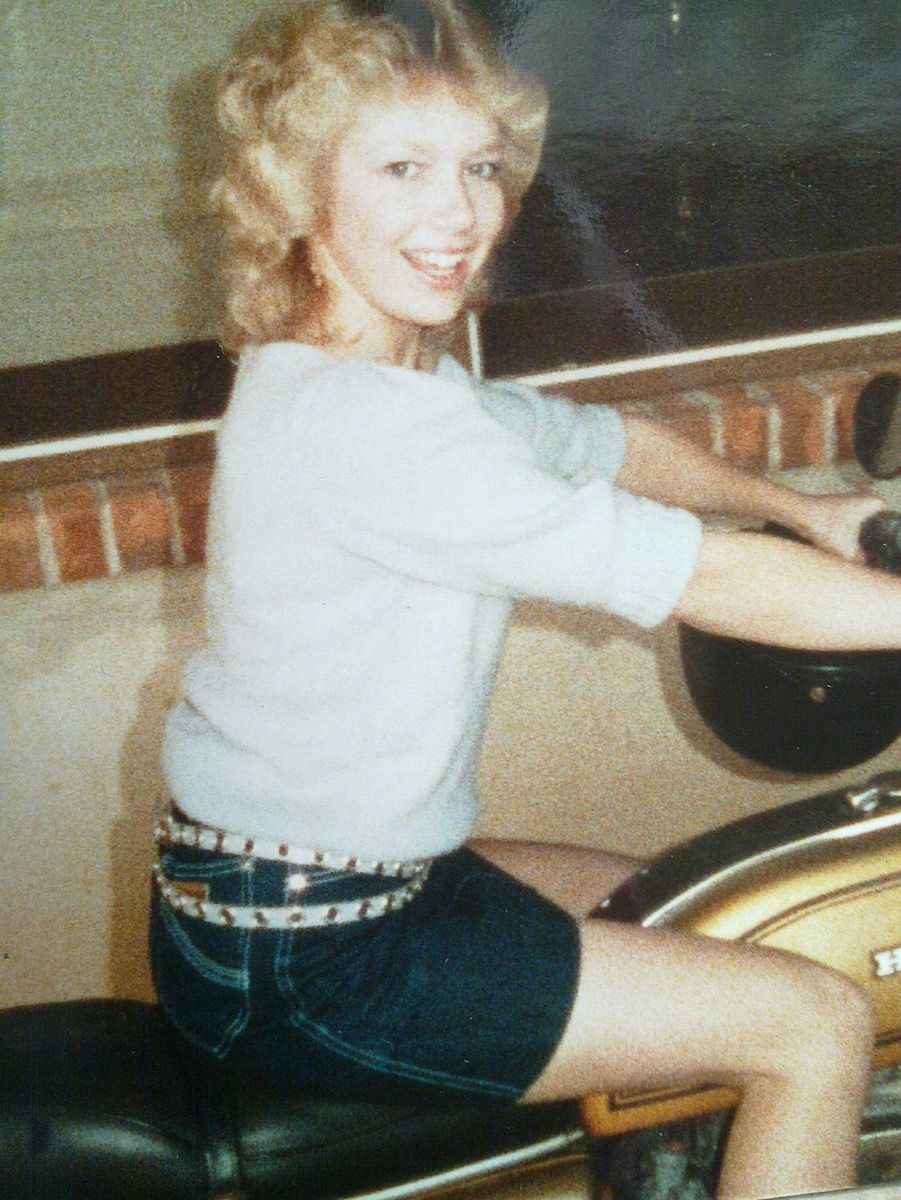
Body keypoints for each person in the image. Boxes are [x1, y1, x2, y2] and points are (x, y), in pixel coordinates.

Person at [150, 3, 901, 1196]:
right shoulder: (362, 429)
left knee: (698, 910)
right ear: (299, 188)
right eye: (402, 169)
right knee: (811, 1021)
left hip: (315, 894)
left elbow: (604, 444)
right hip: (309, 954)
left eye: (481, 168)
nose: (459, 214)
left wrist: (803, 512)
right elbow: (695, 576)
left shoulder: (375, 377)